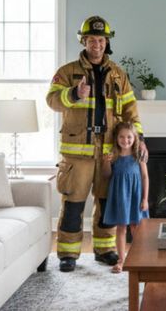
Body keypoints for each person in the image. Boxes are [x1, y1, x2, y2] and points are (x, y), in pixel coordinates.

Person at [46, 15, 147, 273]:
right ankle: (68, 255)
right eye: (92, 39)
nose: (97, 45)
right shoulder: (67, 72)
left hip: (108, 154)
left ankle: (105, 250)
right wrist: (73, 94)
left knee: (106, 204)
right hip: (77, 154)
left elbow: (130, 110)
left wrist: (140, 140)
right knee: (73, 204)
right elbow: (52, 101)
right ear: (84, 41)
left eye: (101, 40)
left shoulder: (118, 75)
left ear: (107, 42)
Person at [102, 122, 149, 273]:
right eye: (121, 137)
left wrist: (145, 199)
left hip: (136, 196)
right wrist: (106, 163)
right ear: (116, 138)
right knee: (121, 227)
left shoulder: (138, 156)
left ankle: (139, 259)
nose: (125, 140)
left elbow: (145, 177)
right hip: (120, 196)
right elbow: (106, 175)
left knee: (136, 228)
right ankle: (121, 261)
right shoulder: (113, 155)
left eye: (129, 137)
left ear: (135, 138)